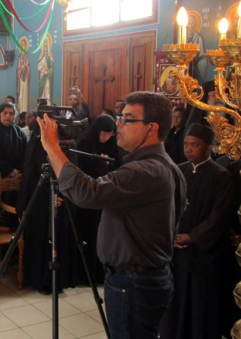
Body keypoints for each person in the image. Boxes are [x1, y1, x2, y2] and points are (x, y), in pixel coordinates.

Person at [38, 91, 187, 338]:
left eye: (127, 119)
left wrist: (52, 147)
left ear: (152, 128)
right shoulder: (167, 164)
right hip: (147, 275)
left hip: (133, 279)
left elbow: (87, 193)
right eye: (120, 117)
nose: (119, 124)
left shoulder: (145, 170)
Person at [160, 124, 233, 339]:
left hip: (204, 253)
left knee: (200, 304)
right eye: (186, 144)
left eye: (194, 145)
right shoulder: (178, 170)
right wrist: (171, 234)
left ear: (208, 148)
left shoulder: (221, 176)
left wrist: (193, 236)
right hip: (177, 250)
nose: (188, 149)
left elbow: (219, 215)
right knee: (175, 300)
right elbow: (167, 206)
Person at [16, 115, 79, 294]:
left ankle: (59, 281)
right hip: (40, 204)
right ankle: (40, 280)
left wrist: (60, 195)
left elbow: (72, 172)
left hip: (62, 202)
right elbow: (31, 178)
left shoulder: (67, 144)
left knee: (60, 239)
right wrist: (48, 197)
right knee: (41, 240)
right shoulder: (35, 144)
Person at [74, 114, 122, 284]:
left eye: (110, 134)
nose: (106, 137)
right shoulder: (84, 145)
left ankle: (102, 274)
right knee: (89, 235)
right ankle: (86, 274)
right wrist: (102, 165)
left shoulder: (114, 146)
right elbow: (82, 171)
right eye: (104, 133)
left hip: (106, 201)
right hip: (89, 201)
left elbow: (119, 168)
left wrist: (108, 166)